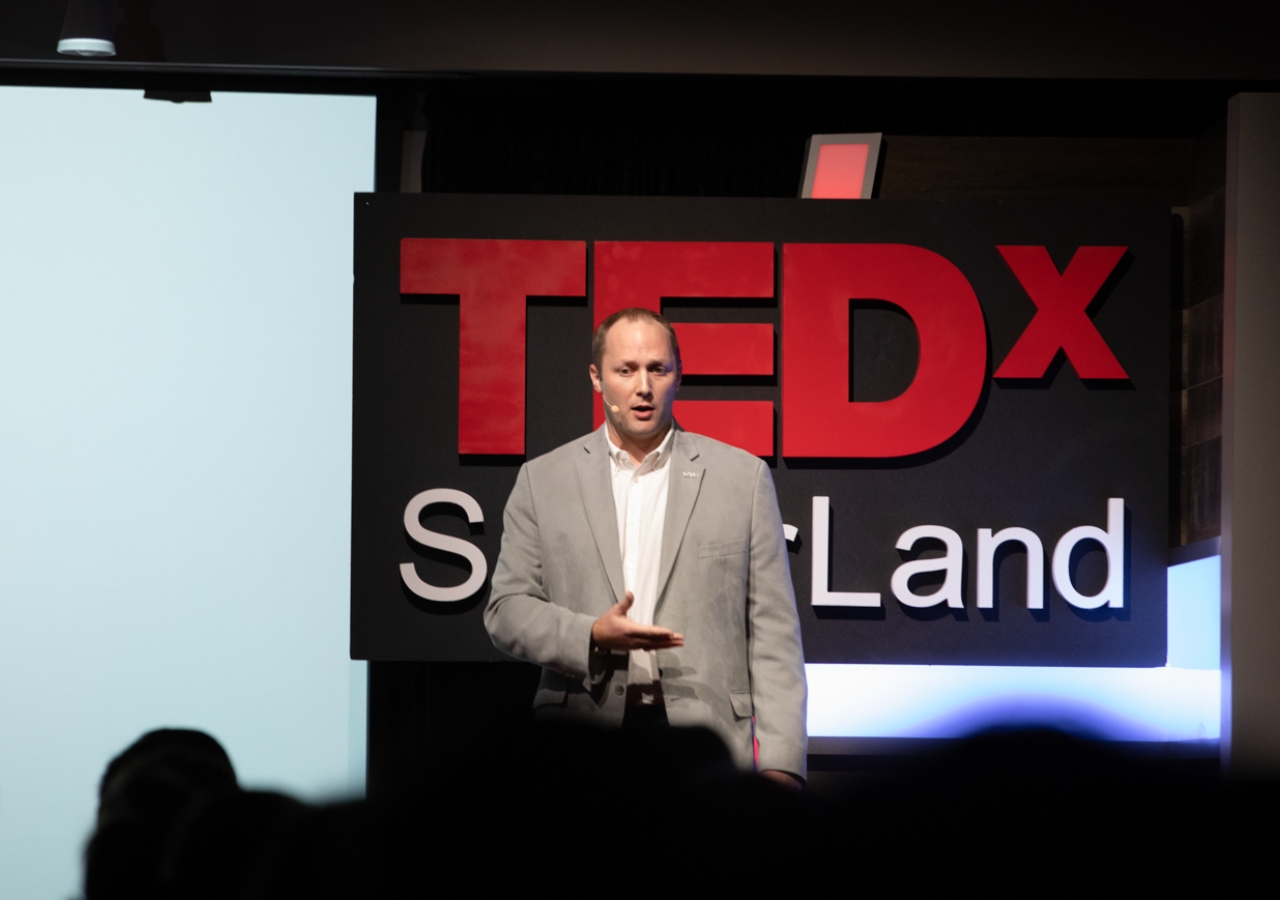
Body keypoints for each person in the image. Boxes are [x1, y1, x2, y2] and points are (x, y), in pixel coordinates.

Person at [484, 307, 807, 786]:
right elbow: (506, 610)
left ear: (679, 376)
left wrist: (782, 764)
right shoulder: (543, 480)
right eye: (626, 370)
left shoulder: (742, 479)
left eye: (658, 368)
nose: (643, 386)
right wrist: (590, 633)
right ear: (597, 378)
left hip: (705, 744)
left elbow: (774, 635)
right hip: (582, 740)